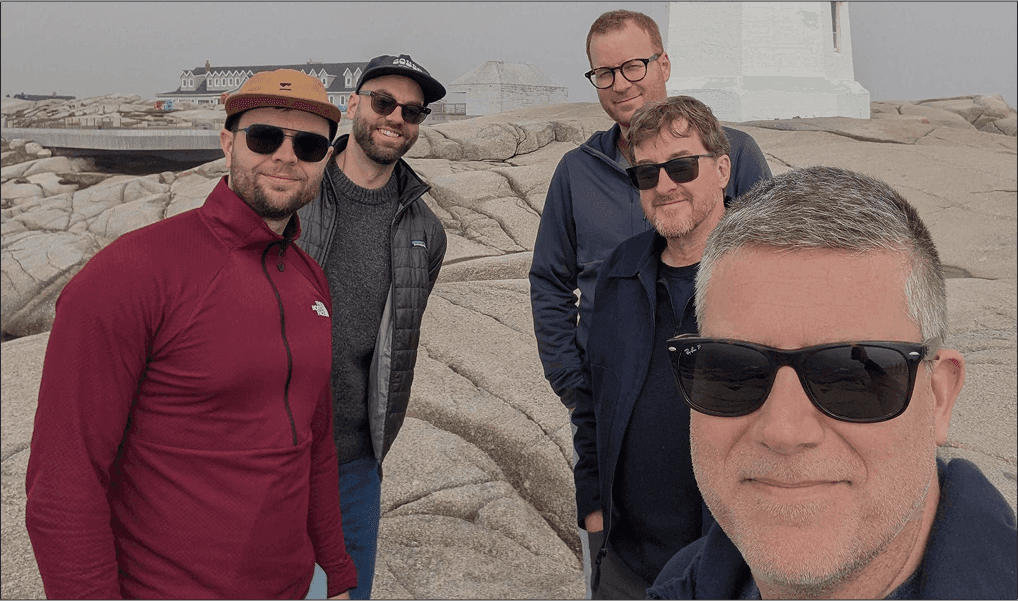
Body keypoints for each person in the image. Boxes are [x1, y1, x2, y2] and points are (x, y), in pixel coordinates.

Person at [25, 69, 356, 598]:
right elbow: (64, 482)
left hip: (300, 586)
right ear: (227, 141)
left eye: (310, 145)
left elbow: (313, 448)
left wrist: (335, 574)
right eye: (265, 136)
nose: (287, 157)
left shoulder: (309, 279)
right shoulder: (130, 273)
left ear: (324, 160)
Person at [649, 166, 1018, 599]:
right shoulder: (684, 579)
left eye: (853, 377)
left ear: (938, 397)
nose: (784, 432)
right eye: (734, 371)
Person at [529, 11, 772, 595]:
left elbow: (776, 266)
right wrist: (575, 382)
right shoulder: (580, 178)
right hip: (614, 409)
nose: (622, 82)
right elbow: (550, 282)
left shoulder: (736, 152)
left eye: (634, 65)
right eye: (604, 72)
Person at [568, 95, 737, 599]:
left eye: (682, 166)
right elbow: (592, 400)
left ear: (722, 169)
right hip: (624, 564)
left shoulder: (763, 275)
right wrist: (593, 507)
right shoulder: (621, 268)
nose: (664, 186)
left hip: (730, 565)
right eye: (646, 174)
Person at [296, 53, 447, 599]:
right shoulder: (295, 188)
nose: (396, 118)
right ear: (353, 104)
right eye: (384, 102)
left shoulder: (425, 230)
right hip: (267, 450)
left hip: (354, 463)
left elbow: (395, 345)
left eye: (412, 111)